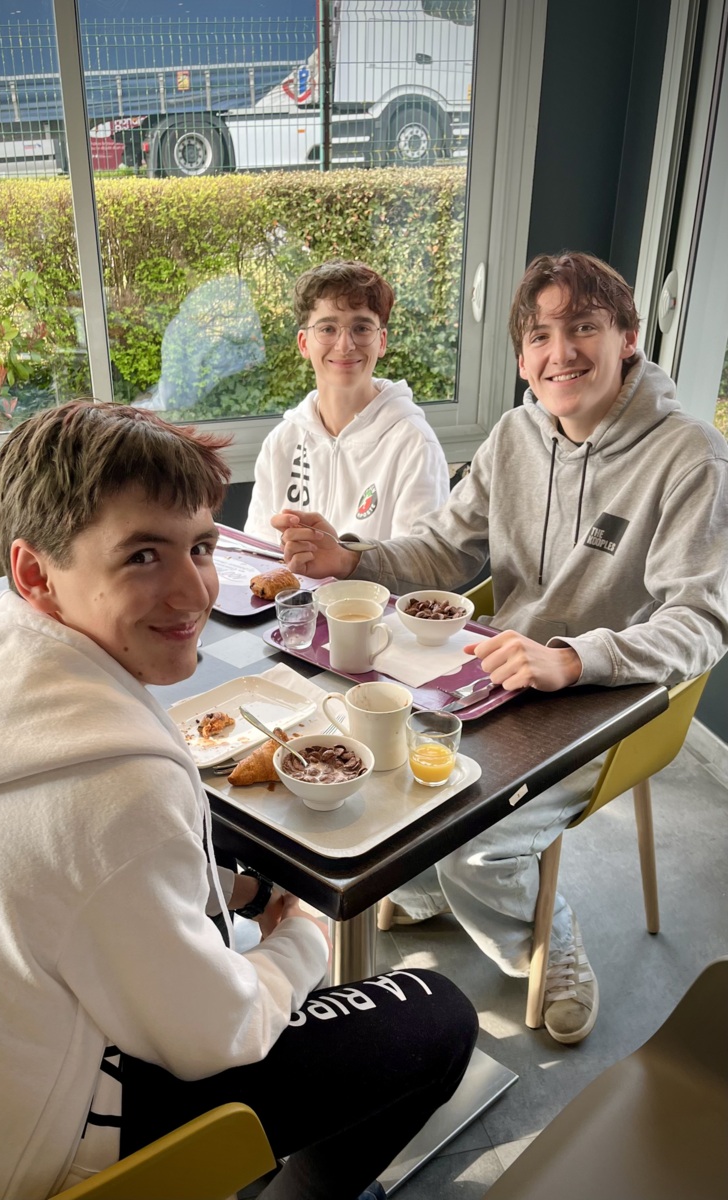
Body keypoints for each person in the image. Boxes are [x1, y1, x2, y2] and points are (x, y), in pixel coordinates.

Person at [0, 400, 478, 1200]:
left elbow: (85, 888)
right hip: (27, 1157)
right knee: (435, 1017)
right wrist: (303, 937)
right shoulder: (115, 789)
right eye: (142, 555)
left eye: (200, 547)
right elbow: (219, 1033)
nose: (193, 593)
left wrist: (242, 893)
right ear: (36, 573)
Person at [275, 252, 728, 1045]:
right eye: (541, 336)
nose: (562, 352)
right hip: (505, 676)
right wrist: (350, 559)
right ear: (522, 358)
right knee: (374, 762)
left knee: (472, 848)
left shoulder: (691, 455)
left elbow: (701, 622)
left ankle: (545, 940)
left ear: (627, 337)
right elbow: (445, 549)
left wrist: (576, 658)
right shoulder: (516, 435)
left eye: (584, 327)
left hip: (615, 700)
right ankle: (443, 885)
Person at [243, 260, 449, 543]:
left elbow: (418, 562)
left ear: (382, 341)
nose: (345, 345)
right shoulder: (281, 442)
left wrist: (341, 559)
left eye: (361, 328)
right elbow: (257, 552)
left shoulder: (414, 445)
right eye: (327, 329)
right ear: (304, 343)